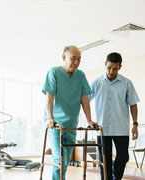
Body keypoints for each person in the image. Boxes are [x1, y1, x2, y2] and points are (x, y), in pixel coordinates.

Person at [42, 45, 97, 180]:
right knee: (59, 160)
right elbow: (49, 97)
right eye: (73, 59)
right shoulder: (54, 72)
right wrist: (50, 117)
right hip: (55, 125)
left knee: (64, 161)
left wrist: (89, 120)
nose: (76, 62)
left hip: (71, 125)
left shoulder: (80, 75)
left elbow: (85, 99)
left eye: (79, 59)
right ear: (64, 57)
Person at [89, 52, 140, 180]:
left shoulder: (127, 83)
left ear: (120, 67)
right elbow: (85, 100)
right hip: (102, 128)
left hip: (121, 128)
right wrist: (89, 120)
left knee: (122, 158)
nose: (111, 71)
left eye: (115, 68)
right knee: (104, 161)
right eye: (109, 67)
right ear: (105, 64)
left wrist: (135, 124)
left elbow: (133, 104)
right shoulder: (96, 82)